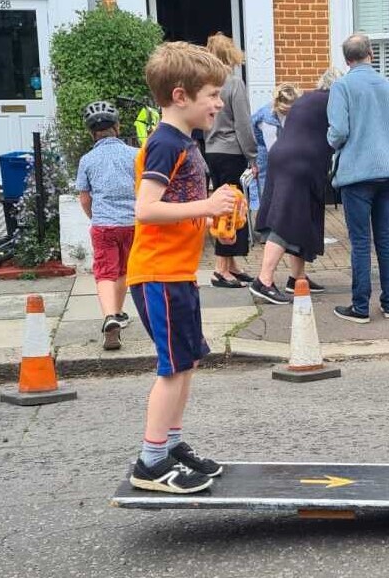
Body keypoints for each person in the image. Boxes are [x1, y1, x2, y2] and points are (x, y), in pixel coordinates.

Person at [126, 41, 241, 494]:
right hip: (157, 273)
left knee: (186, 362)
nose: (218, 103)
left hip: (177, 272)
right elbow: (146, 209)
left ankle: (171, 445)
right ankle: (150, 460)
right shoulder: (164, 145)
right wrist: (209, 202)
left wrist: (215, 221)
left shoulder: (185, 143)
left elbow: (179, 206)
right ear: (181, 96)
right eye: (212, 94)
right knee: (171, 368)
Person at [327, 34, 389, 323]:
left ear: (347, 60)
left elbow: (339, 132)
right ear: (372, 53)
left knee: (360, 242)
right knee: (385, 239)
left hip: (357, 174)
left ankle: (360, 306)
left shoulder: (342, 87)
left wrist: (333, 142)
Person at [250, 68, 342, 304]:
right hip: (301, 164)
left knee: (299, 218)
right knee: (286, 219)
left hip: (282, 158)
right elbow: (341, 132)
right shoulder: (332, 101)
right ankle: (264, 280)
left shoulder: (307, 99)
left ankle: (297, 278)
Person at [75, 101, 139, 351]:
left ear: (92, 133)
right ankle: (119, 313)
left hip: (104, 225)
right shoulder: (135, 155)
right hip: (131, 223)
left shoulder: (87, 160)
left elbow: (84, 197)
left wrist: (94, 217)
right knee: (123, 270)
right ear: (118, 127)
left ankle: (109, 316)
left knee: (104, 272)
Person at [204, 32, 258, 289]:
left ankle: (233, 265)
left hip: (212, 150)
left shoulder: (205, 83)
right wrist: (253, 156)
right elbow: (244, 124)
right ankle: (220, 269)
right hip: (232, 152)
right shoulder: (234, 83)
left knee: (226, 206)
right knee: (231, 209)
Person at [250, 83, 302, 209]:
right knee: (264, 190)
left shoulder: (287, 113)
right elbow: (273, 151)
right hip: (263, 157)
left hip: (280, 153)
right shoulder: (268, 119)